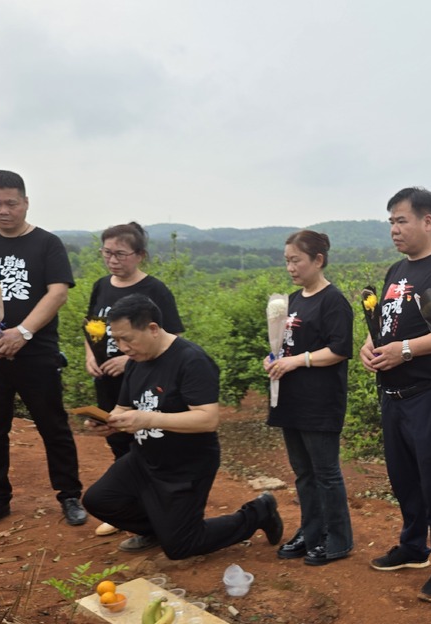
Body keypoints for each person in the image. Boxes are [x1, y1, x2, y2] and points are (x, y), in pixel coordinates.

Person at [82, 294, 284, 558]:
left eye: (127, 339)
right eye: (116, 340)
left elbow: (207, 419)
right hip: (144, 459)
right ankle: (160, 529)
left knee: (181, 547)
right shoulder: (136, 362)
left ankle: (258, 512)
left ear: (153, 328)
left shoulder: (192, 360)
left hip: (186, 466)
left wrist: (148, 419)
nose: (121, 347)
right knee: (98, 500)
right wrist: (109, 421)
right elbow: (124, 407)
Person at [0, 169, 85, 531]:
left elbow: (57, 292)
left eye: (11, 203)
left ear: (25, 202)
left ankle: (69, 495)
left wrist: (23, 332)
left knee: (52, 424)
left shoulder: (46, 244)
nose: (3, 210)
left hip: (36, 351)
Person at [358, 187, 431, 601]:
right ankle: (412, 547)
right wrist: (370, 349)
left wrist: (403, 350)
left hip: (429, 392)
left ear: (428, 221)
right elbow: (386, 329)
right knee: (403, 477)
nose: (394, 229)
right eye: (390, 221)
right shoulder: (394, 272)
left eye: (401, 220)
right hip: (393, 394)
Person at [264, 230, 354, 565]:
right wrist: (274, 359)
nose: (290, 267)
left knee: (326, 473)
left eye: (296, 260)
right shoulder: (292, 299)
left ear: (318, 259)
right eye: (287, 260)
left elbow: (339, 350)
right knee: (303, 472)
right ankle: (311, 532)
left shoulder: (333, 301)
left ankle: (338, 539)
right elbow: (287, 346)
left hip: (320, 402)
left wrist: (296, 361)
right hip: (291, 400)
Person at [85, 222, 184, 461]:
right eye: (107, 253)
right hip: (107, 382)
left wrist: (128, 361)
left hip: (144, 381)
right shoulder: (101, 285)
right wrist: (90, 356)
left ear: (140, 255)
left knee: (147, 441)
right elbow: (93, 326)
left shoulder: (155, 289)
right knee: (117, 438)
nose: (112, 260)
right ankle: (130, 491)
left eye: (120, 254)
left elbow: (174, 340)